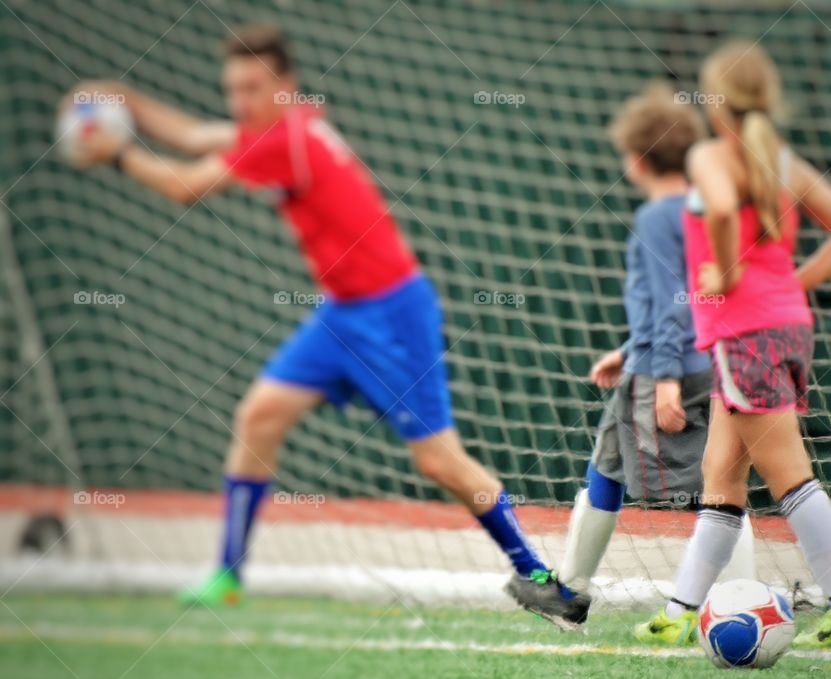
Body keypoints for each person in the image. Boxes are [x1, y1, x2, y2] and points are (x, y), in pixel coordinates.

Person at [66, 24, 554, 606]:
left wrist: (118, 152)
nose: (240, 101)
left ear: (285, 85)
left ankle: (538, 574)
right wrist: (127, 102)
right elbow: (198, 134)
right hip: (341, 313)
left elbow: (184, 186)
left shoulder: (283, 142)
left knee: (439, 461)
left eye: (252, 87)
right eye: (233, 88)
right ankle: (227, 575)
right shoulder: (287, 125)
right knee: (259, 417)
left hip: (393, 313)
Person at [632, 41, 831, 648]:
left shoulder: (714, 154)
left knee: (789, 476)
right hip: (781, 328)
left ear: (718, 105)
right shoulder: (781, 161)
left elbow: (718, 206)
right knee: (721, 477)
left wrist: (727, 268)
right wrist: (791, 284)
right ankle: (680, 613)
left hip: (745, 334)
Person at [506, 84, 754, 629]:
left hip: (667, 370)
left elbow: (672, 297)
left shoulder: (656, 219)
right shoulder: (700, 209)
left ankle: (740, 598)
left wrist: (663, 375)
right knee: (619, 468)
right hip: (685, 360)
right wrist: (628, 350)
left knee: (705, 485)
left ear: (637, 160)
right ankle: (572, 593)